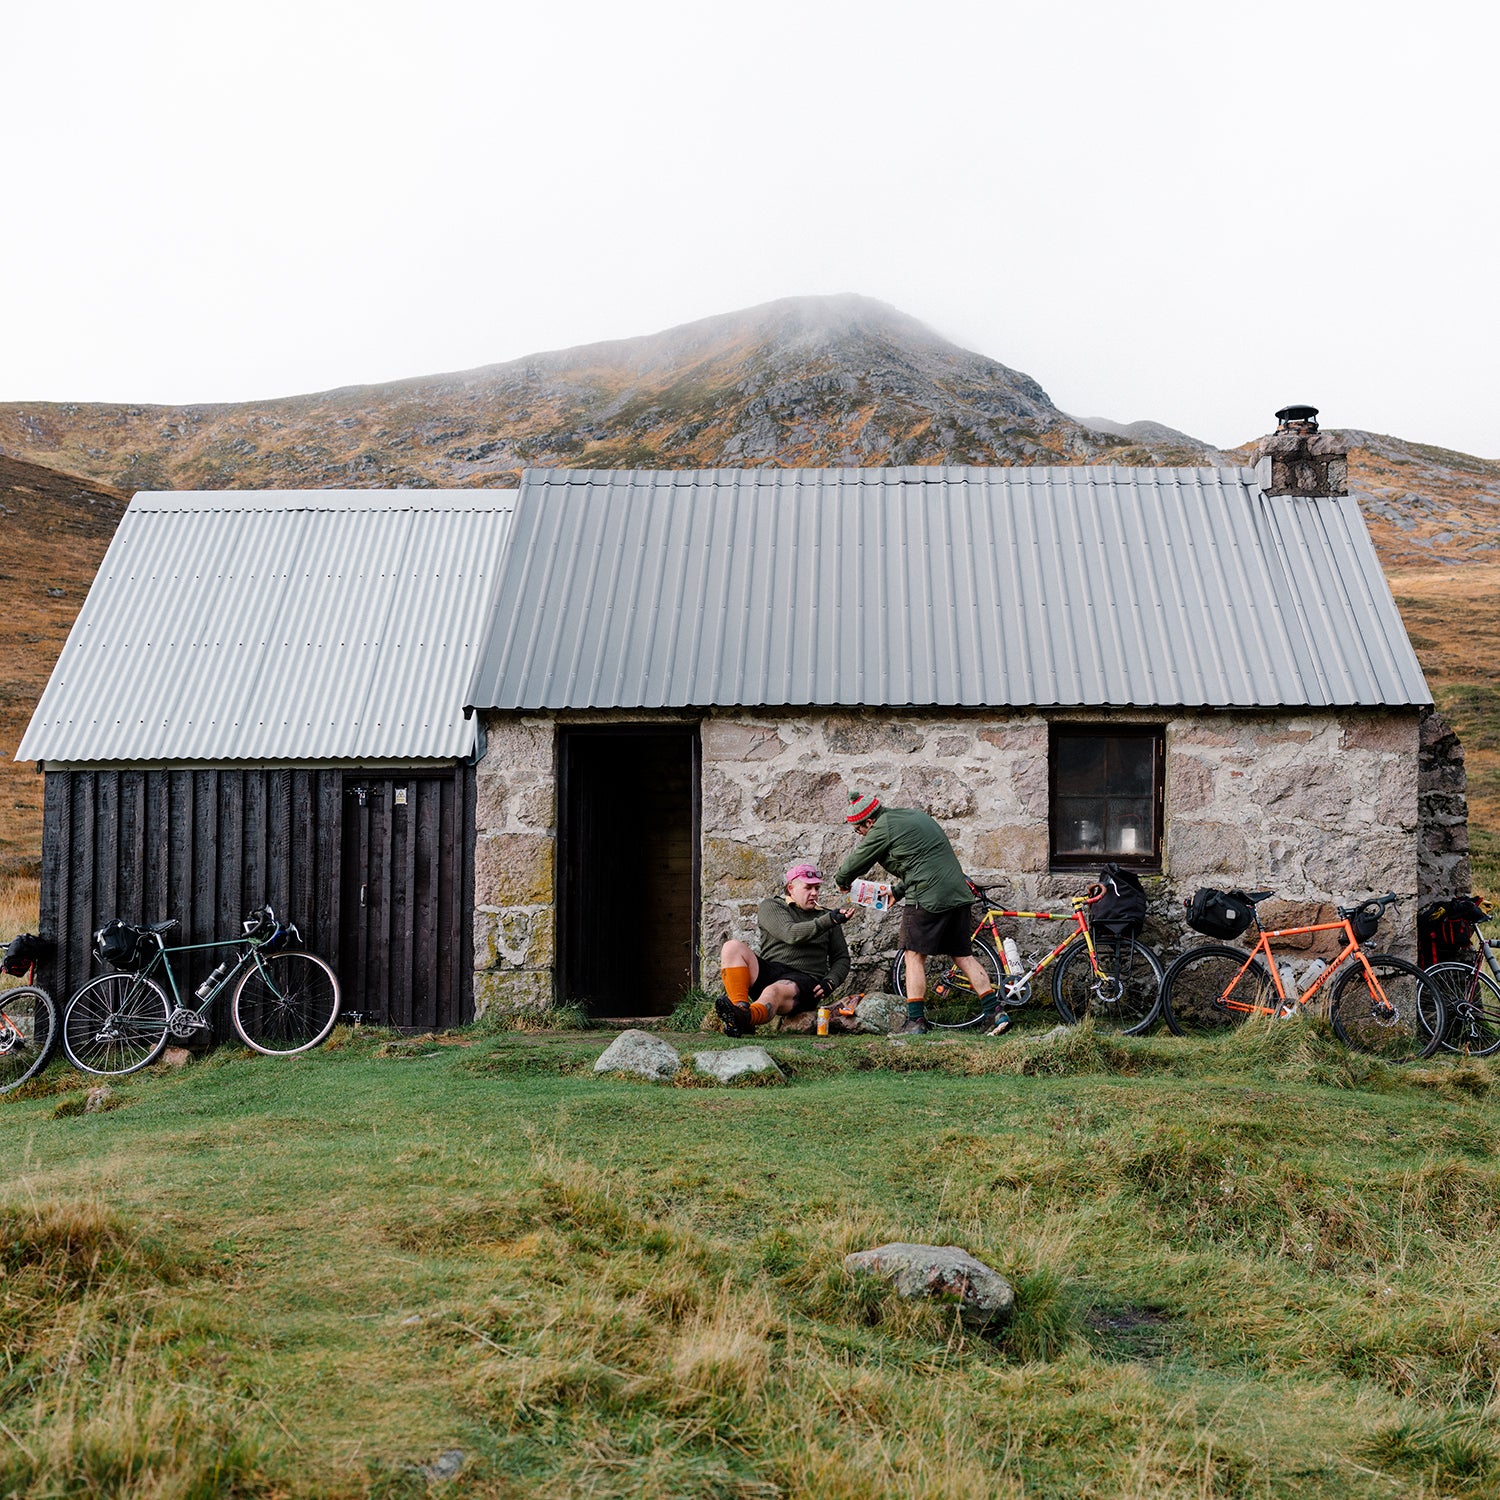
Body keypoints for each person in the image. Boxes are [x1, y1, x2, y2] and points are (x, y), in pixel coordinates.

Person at [833, 789, 1007, 1036]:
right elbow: (923, 863)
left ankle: (915, 1022)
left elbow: (858, 860)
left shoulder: (881, 827)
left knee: (913, 955)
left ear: (868, 822)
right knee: (962, 955)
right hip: (957, 893)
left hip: (927, 896)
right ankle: (994, 1012)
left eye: (858, 830)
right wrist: (898, 891)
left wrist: (842, 880)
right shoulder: (912, 816)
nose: (860, 835)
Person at [715, 862, 854, 1036]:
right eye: (808, 888)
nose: (814, 893)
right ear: (791, 888)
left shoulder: (826, 916)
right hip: (772, 969)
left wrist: (831, 981)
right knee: (731, 947)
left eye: (817, 888)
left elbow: (841, 957)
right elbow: (790, 934)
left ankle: (745, 1018)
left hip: (805, 979)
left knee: (774, 991)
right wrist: (829, 920)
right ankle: (740, 1011)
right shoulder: (772, 907)